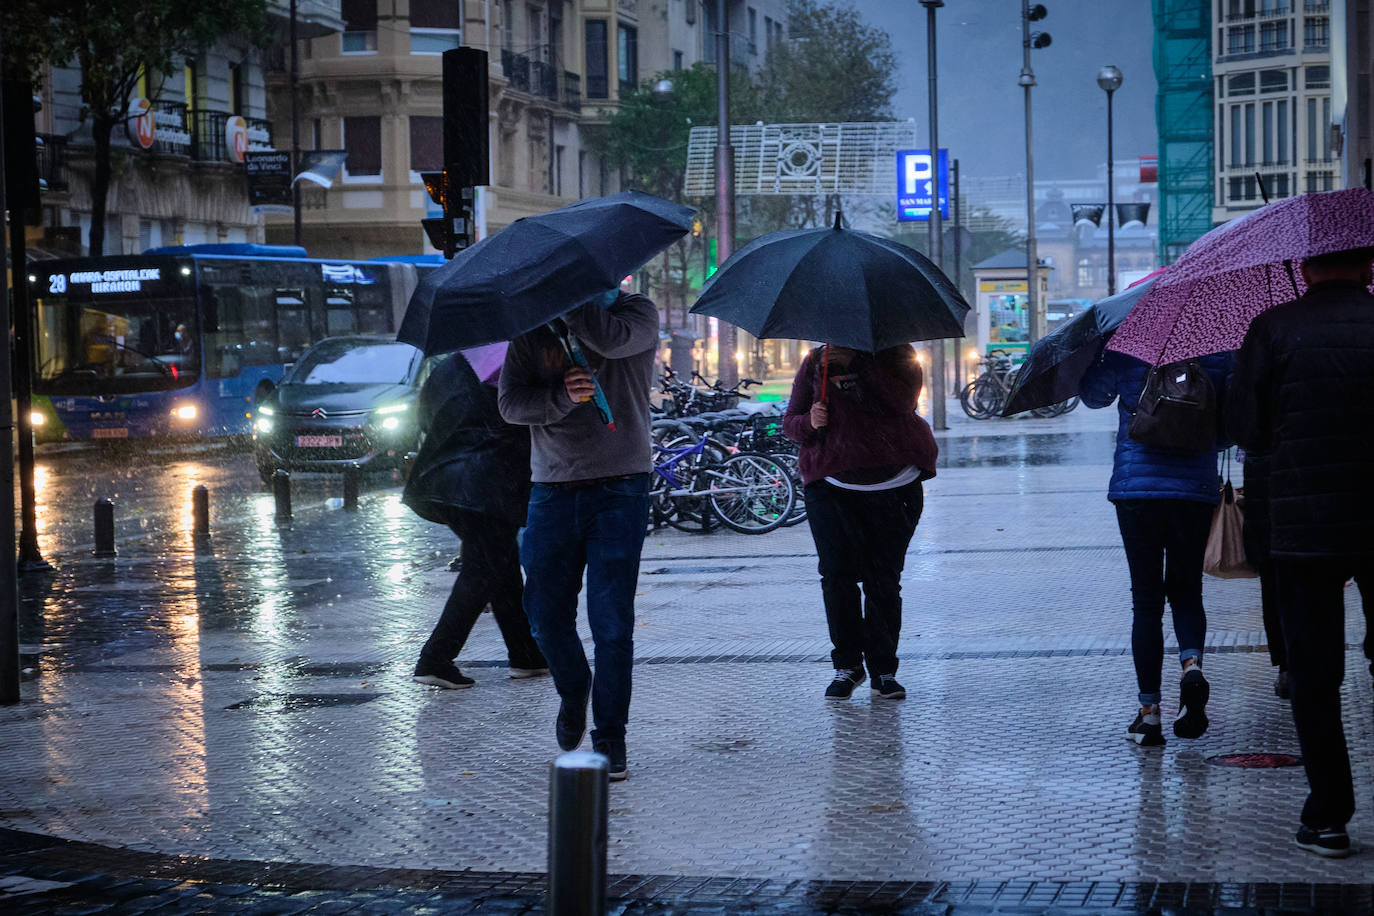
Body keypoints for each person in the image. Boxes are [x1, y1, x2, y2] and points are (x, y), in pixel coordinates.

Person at [1228, 246, 1374, 859]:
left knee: (1314, 676)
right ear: (1367, 269)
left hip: (1304, 527)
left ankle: (1329, 816)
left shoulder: (1273, 328)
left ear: (1306, 269)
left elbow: (1249, 432)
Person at [498, 288, 659, 782]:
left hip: (621, 487)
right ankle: (573, 687)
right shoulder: (531, 332)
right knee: (542, 615)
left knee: (611, 621)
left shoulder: (635, 314)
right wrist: (560, 397)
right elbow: (509, 404)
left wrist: (569, 305)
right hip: (552, 488)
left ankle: (610, 736)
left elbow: (608, 341)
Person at [1079, 349, 1231, 747]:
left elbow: (1093, 397)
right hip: (1194, 490)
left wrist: (1097, 359)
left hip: (1137, 490)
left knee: (1146, 602)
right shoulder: (1220, 351)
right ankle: (1192, 666)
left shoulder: (1128, 344)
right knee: (1186, 592)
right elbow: (1230, 428)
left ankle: (1149, 715)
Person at [782, 344, 937, 701]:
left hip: (895, 486)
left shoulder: (900, 355)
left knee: (882, 580)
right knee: (837, 577)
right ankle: (847, 666)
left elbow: (901, 404)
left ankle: (884, 669)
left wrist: (859, 368)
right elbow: (791, 422)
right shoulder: (817, 362)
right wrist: (810, 422)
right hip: (832, 487)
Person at [402, 352, 547, 689]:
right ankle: (435, 659)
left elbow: (424, 420)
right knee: (481, 571)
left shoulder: (448, 367)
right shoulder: (511, 367)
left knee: (502, 567)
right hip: (487, 485)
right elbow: (524, 419)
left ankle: (526, 655)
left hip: (448, 480)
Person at [1236, 448, 1288, 699]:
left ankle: (1286, 666)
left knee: (1272, 582)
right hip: (1317, 483)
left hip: (1263, 478)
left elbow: (1237, 426)